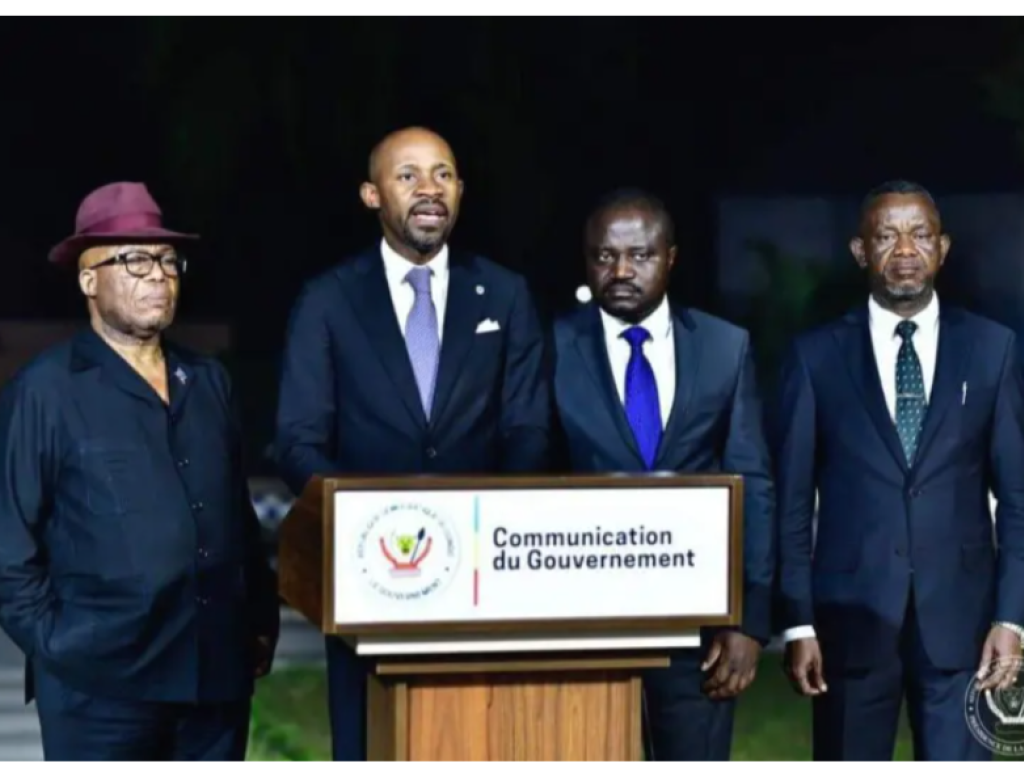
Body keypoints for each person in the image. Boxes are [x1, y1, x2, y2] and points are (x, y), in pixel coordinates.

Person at [272, 126, 550, 760]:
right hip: (369, 579)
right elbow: (298, 440)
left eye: (444, 174)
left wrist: (489, 524)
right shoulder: (327, 301)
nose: (430, 190)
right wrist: (367, 520)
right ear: (371, 195)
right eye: (408, 176)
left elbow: (528, 428)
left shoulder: (505, 294)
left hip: (485, 580)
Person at [0, 182, 280, 761]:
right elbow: (9, 546)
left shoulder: (209, 383)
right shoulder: (46, 392)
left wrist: (258, 620)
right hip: (100, 694)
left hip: (213, 682)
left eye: (166, 259)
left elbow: (235, 516)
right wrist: (59, 647)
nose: (157, 273)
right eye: (133, 259)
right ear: (87, 279)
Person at [775, 179, 1024, 760]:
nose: (905, 249)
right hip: (849, 625)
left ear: (943, 249)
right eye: (887, 235)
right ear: (862, 251)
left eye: (920, 235)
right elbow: (790, 501)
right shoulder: (815, 358)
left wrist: (1012, 619)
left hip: (965, 631)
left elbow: (1017, 499)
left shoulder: (993, 350)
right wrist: (797, 623)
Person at [550, 189, 775, 760]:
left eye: (640, 255)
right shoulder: (548, 348)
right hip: (581, 629)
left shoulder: (726, 348)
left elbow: (754, 485)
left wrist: (749, 622)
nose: (621, 270)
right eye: (604, 256)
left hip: (697, 635)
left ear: (671, 257)